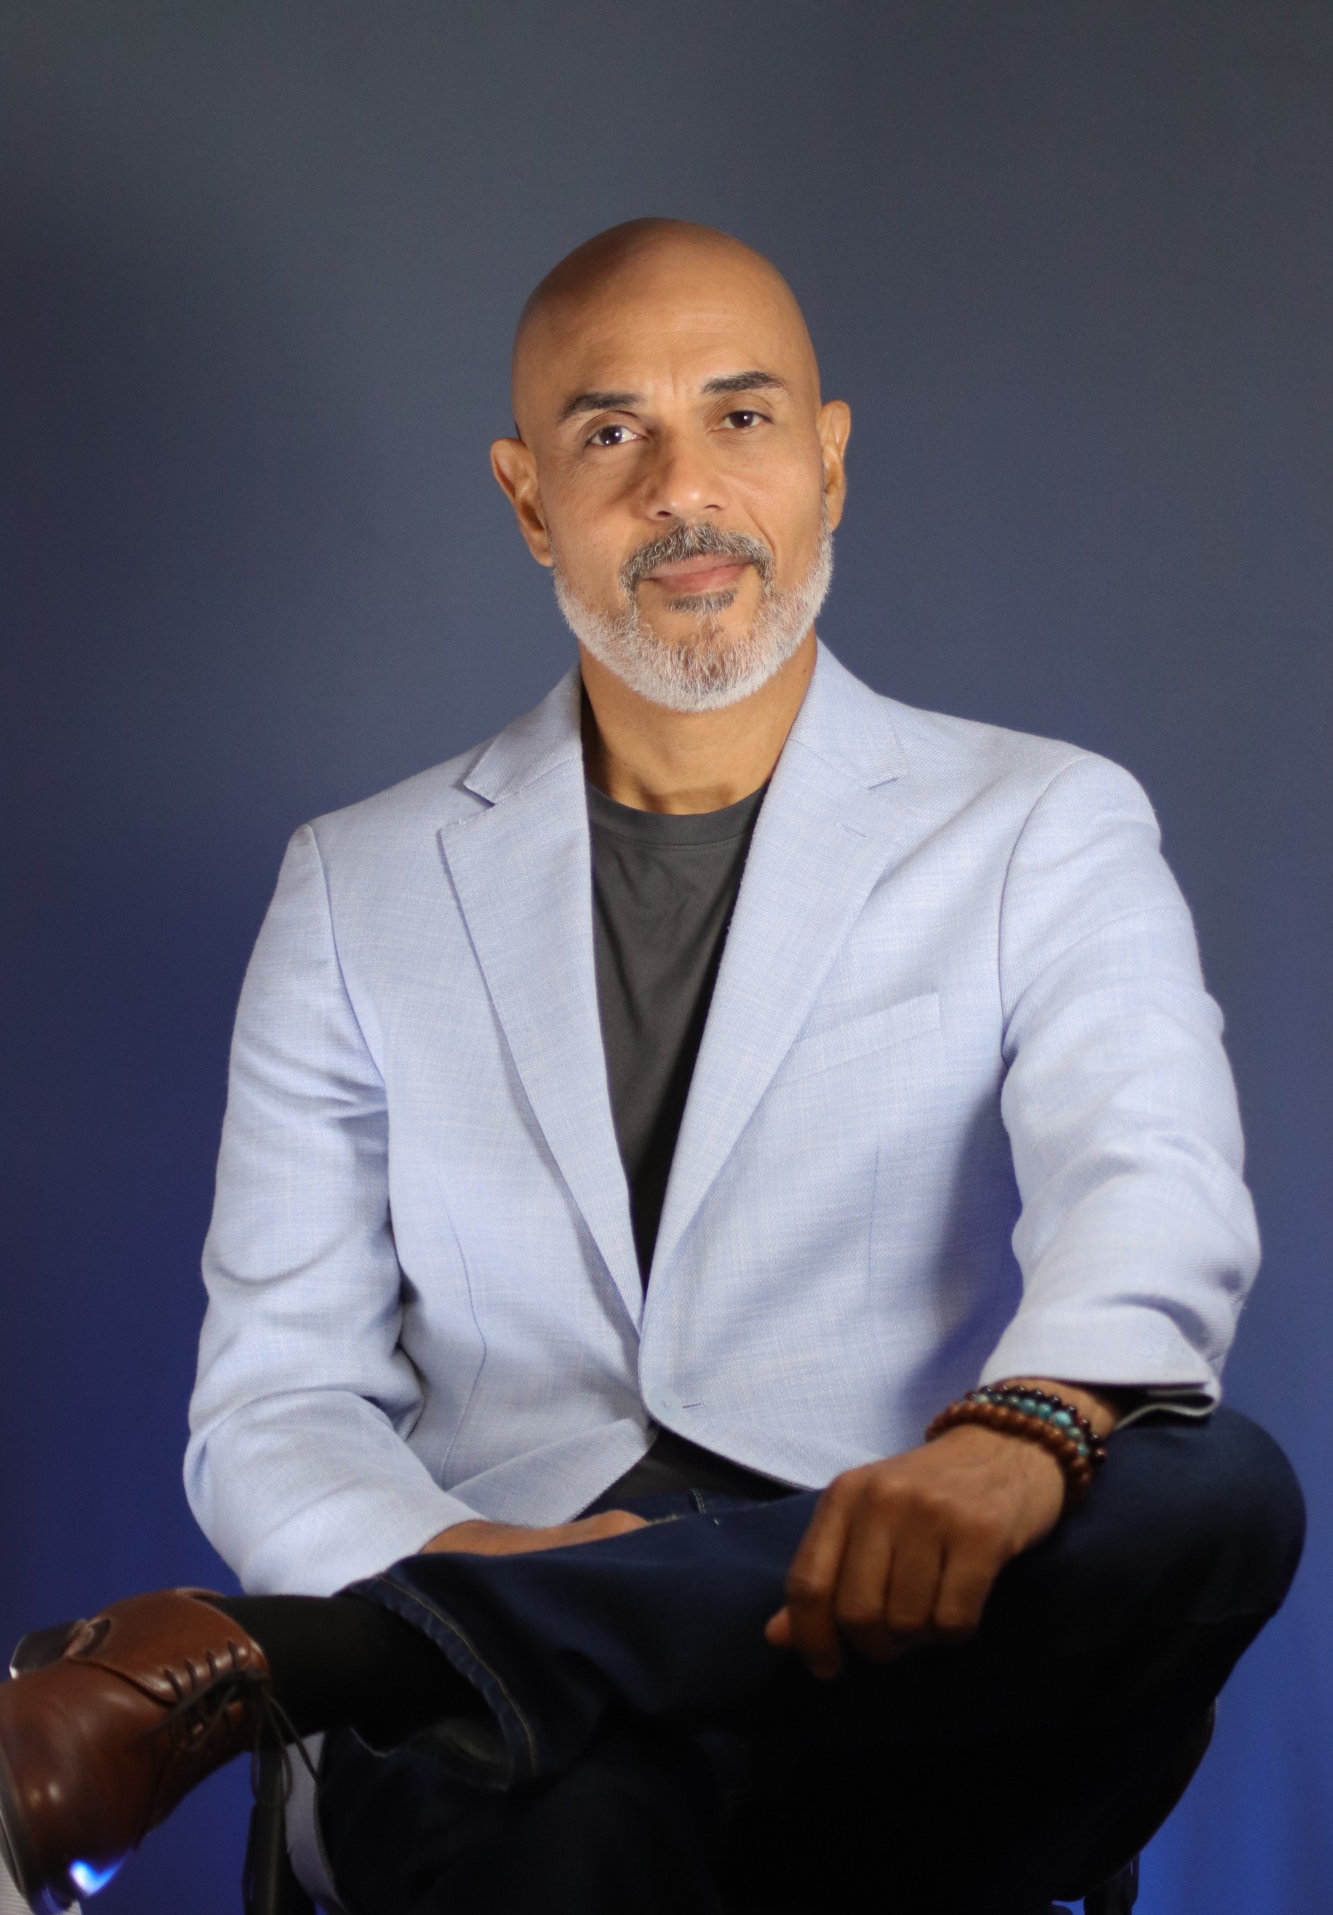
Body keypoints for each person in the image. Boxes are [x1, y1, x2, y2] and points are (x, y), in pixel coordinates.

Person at [0, 221, 1304, 1915]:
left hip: (901, 1632)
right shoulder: (354, 884)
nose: (684, 489)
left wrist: (1009, 1441)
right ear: (528, 498)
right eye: (611, 433)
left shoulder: (1039, 822)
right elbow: (276, 1395)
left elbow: (1151, 1184)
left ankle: (334, 1660)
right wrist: (474, 1557)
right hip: (513, 1690)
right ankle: (490, 1649)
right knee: (571, 1806)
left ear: (828, 463)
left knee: (1215, 1487)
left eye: (740, 419)